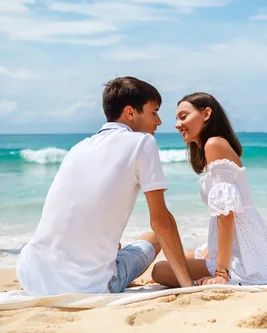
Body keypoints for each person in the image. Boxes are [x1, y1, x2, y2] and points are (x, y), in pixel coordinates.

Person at [17, 77, 196, 296]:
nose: (158, 121)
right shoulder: (142, 142)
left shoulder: (78, 148)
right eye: (154, 112)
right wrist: (188, 287)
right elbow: (161, 222)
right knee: (154, 237)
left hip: (32, 274)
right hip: (89, 285)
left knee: (114, 247)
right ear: (130, 112)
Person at [151, 92, 267, 286]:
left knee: (160, 271)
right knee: (176, 258)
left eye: (184, 116)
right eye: (177, 118)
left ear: (206, 114)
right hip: (249, 248)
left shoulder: (214, 145)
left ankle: (218, 271)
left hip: (247, 259)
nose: (177, 124)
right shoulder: (215, 146)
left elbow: (227, 213)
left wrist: (222, 273)